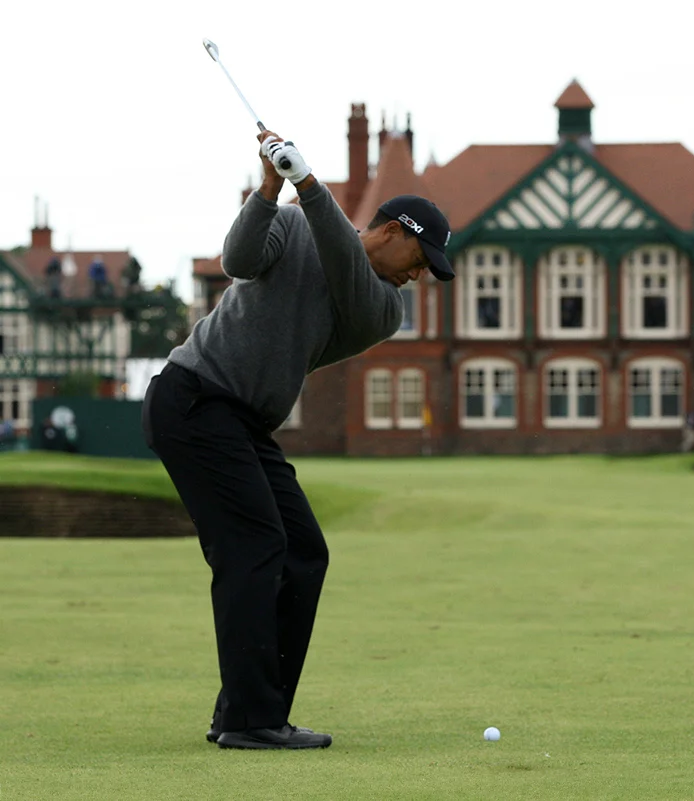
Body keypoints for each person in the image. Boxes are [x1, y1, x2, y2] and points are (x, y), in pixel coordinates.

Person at [141, 130, 455, 751]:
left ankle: (250, 711)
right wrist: (269, 189)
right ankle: (249, 720)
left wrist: (310, 185)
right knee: (254, 545)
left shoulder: (381, 308)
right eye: (421, 260)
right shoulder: (293, 222)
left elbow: (344, 263)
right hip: (193, 399)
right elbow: (237, 262)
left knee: (304, 552)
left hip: (241, 422)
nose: (420, 276)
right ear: (393, 231)